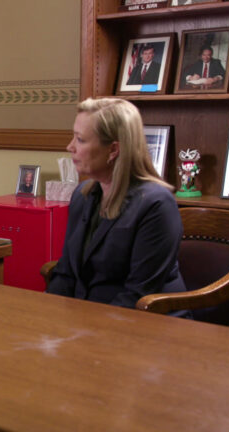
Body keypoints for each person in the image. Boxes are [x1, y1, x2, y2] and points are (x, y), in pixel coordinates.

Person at [46, 98, 187, 311]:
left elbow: (139, 294)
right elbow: (66, 272)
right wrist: (43, 313)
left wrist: (83, 329)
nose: (70, 146)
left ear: (113, 150)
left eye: (81, 140)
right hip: (90, 319)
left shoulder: (156, 204)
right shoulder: (81, 196)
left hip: (147, 326)